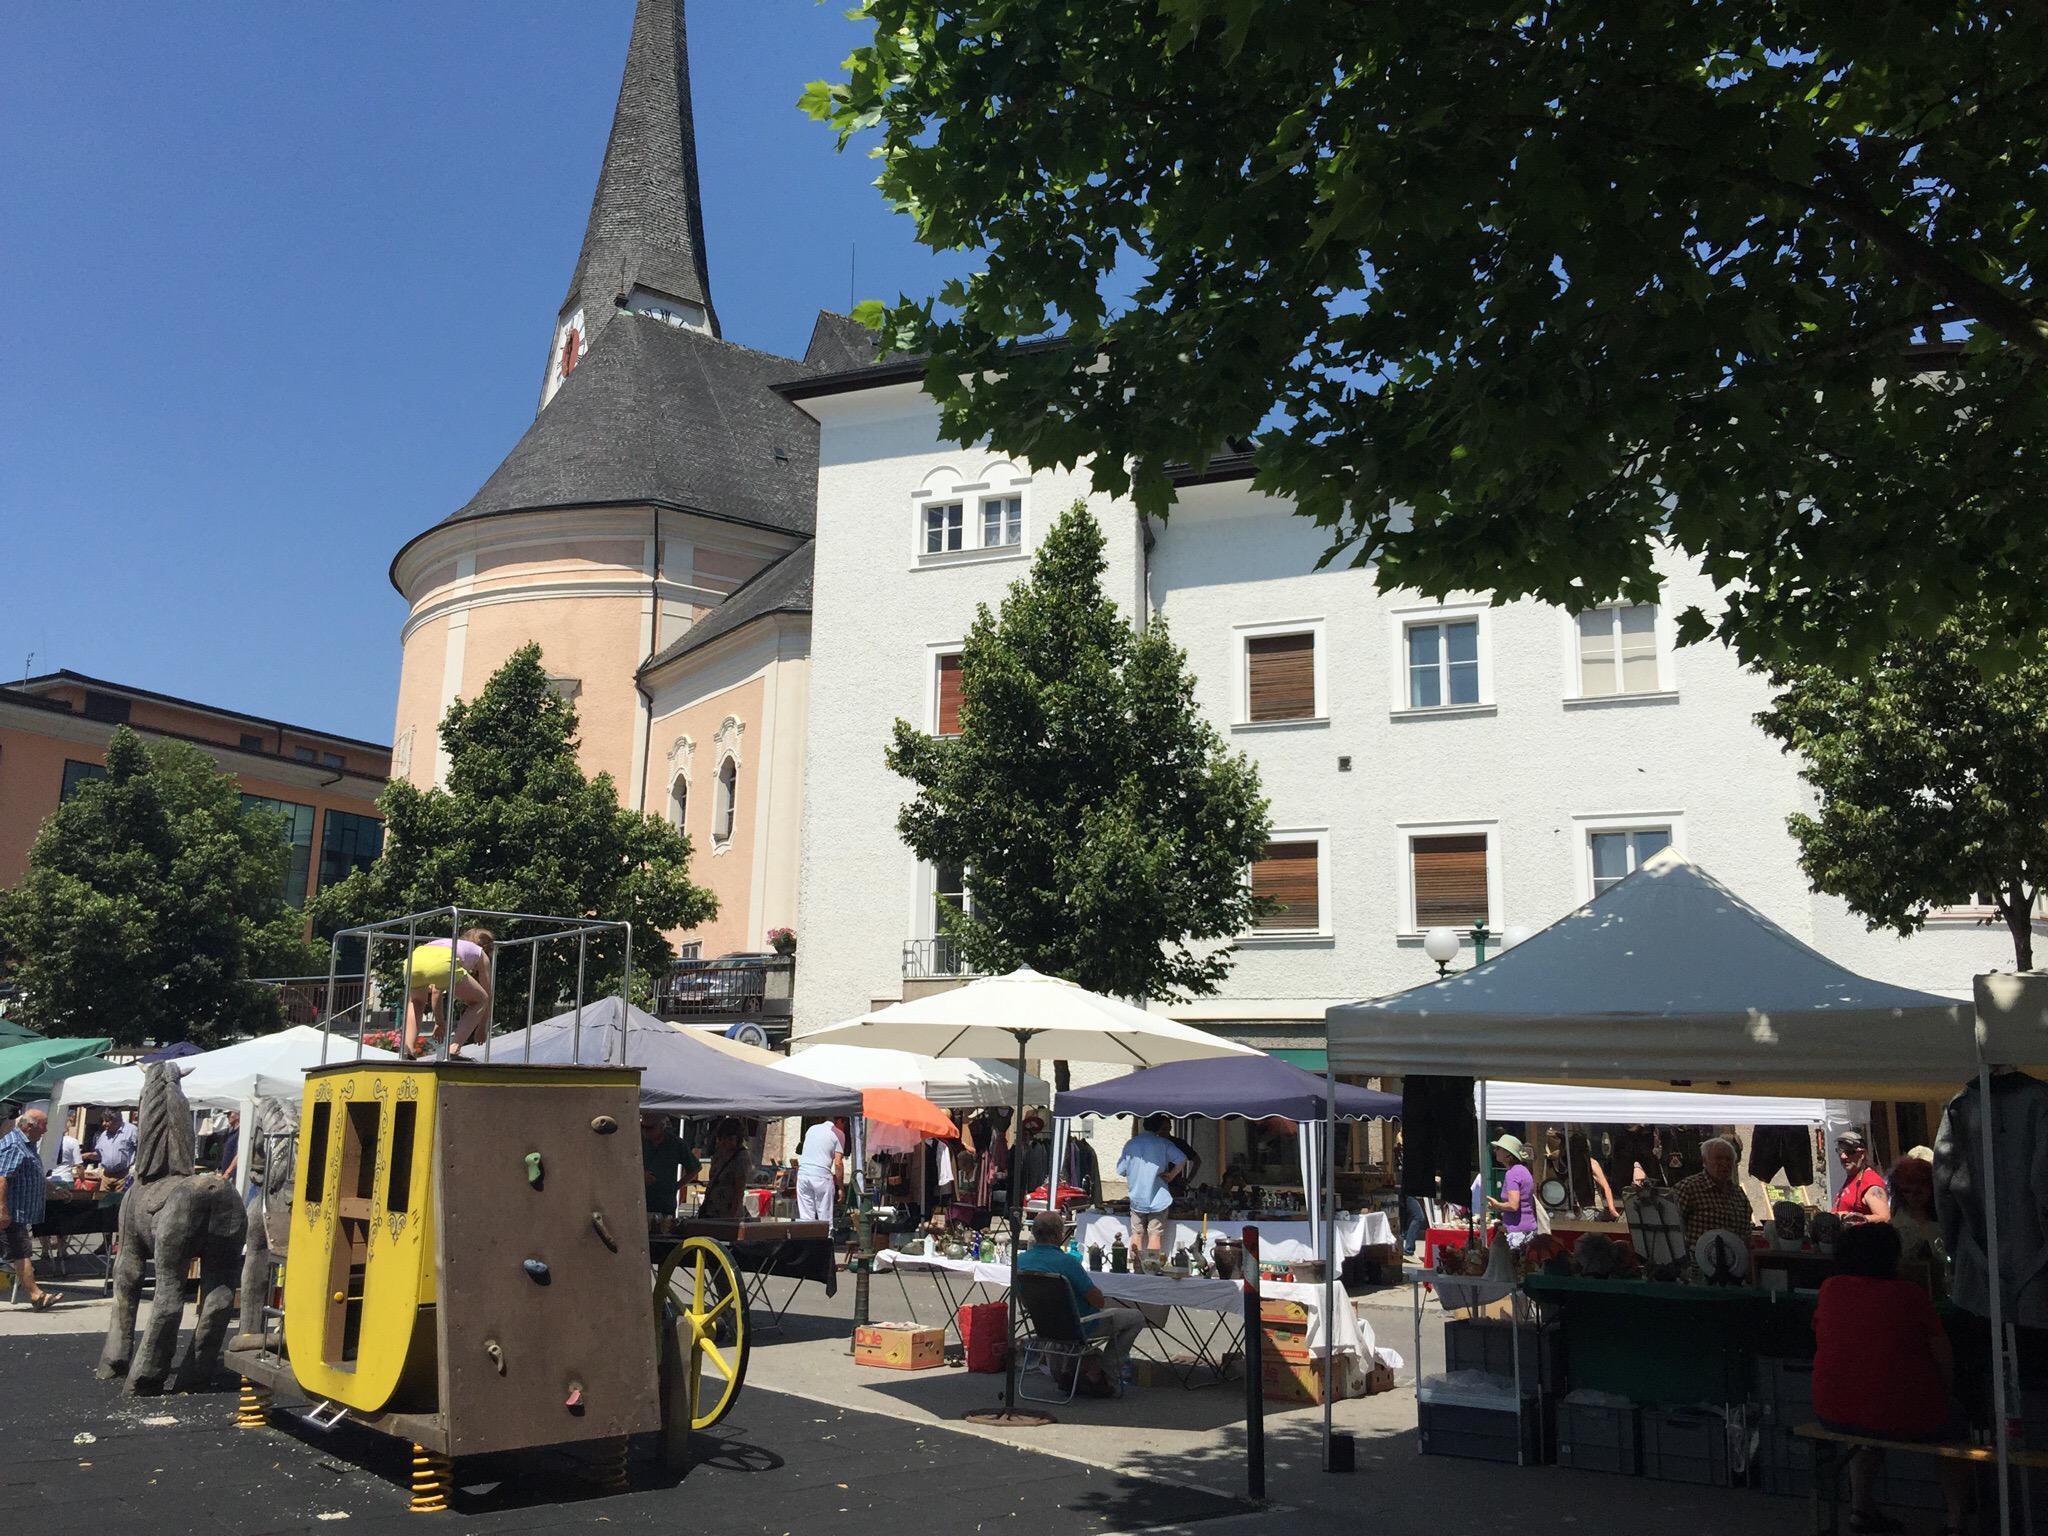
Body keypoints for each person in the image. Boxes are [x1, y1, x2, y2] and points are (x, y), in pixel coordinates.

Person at [1812, 1221, 1971, 1534]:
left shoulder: (1829, 1290)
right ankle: (1956, 1519)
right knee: (1956, 1427)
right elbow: (1943, 1354)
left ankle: (1860, 1507)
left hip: (1833, 1410)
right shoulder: (1910, 1294)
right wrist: (1943, 1393)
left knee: (1865, 1427)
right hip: (1903, 1411)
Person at [1016, 1210, 1145, 1396]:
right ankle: (1108, 1371)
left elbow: (1022, 1299)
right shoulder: (1067, 1262)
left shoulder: (1020, 1261)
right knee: (1136, 1317)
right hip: (1079, 1327)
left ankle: (1077, 1369)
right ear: (1057, 1235)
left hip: (1045, 1326)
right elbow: (1097, 1300)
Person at [402, 928, 496, 1058]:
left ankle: (408, 1047)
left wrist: (439, 1023)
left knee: (416, 1002)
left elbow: (436, 991)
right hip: (442, 964)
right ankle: (454, 1048)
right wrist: (481, 1027)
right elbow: (488, 994)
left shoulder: (449, 943)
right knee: (481, 999)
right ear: (487, 950)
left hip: (414, 960)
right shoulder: (480, 953)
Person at [0, 1108, 58, 1311]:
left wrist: (54, 1189)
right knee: (21, 1252)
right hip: (11, 1212)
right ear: (28, 1126)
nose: (46, 1129)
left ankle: (36, 1295)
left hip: (18, 1213)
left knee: (19, 1251)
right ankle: (36, 1295)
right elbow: (2, 1178)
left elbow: (33, 1174)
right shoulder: (15, 1145)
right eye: (43, 1125)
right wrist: (2, 1209)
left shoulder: (28, 1145)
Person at [1118, 1114, 1189, 1261]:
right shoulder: (1163, 1143)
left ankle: (1136, 1267)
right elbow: (1182, 1159)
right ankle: (1151, 1266)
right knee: (1154, 1235)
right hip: (1158, 1197)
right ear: (1159, 1128)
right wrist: (1171, 1175)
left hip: (1137, 1197)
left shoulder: (1131, 1144)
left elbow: (1120, 1170)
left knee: (1137, 1234)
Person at [1673, 1137, 1755, 1248]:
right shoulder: (1688, 1188)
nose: (1724, 1163)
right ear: (1704, 1161)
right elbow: (1673, 1231)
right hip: (1696, 1263)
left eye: (1729, 1159)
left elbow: (1747, 1235)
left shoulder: (1739, 1194)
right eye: (1718, 1158)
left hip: (1736, 1263)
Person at [640, 1114, 699, 1223]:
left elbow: (694, 1168)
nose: (645, 1131)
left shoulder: (676, 1143)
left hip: (664, 1203)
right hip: (640, 1202)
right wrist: (639, 1176)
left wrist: (677, 1186)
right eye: (642, 1127)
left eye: (649, 1128)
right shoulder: (638, 1142)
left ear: (662, 1126)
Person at [1485, 1132, 1539, 1247]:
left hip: (1518, 1232)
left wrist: (1496, 1205)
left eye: (1498, 1148)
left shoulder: (1512, 1174)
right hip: (1528, 1228)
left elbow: (1513, 1205)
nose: (1495, 1151)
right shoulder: (1523, 1170)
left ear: (1508, 1155)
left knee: (1514, 1263)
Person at [1887, 1153, 1941, 1264]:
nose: (1912, 1197)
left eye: (1919, 1192)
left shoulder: (1944, 1219)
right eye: (1906, 1191)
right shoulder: (1896, 1225)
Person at [1834, 1130, 1891, 1224]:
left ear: (1861, 1154)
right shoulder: (1854, 1176)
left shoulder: (1870, 1182)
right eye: (1840, 1151)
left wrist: (1862, 1219)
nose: (1843, 1156)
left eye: (1849, 1152)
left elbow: (1885, 1217)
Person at [795, 1116, 845, 1222]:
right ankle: (827, 1237)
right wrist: (841, 1187)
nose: (844, 1128)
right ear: (839, 1121)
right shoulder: (838, 1134)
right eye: (844, 1124)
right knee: (825, 1217)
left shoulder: (812, 1129)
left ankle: (808, 1237)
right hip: (821, 1175)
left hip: (803, 1173)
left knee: (806, 1218)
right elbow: (838, 1163)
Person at [699, 1119, 751, 1219]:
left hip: (726, 1213)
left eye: (729, 1139)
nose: (724, 1142)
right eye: (722, 1138)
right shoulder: (720, 1152)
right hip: (711, 1210)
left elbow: (739, 1190)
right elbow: (712, 1177)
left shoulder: (741, 1157)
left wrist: (732, 1216)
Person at [84, 1106, 138, 1180]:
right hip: (106, 1176)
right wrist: (87, 1155)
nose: (103, 1124)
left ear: (117, 1121)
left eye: (106, 1121)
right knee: (101, 1192)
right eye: (103, 1121)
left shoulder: (131, 1130)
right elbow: (99, 1155)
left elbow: (140, 1150)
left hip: (123, 1176)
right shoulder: (104, 1135)